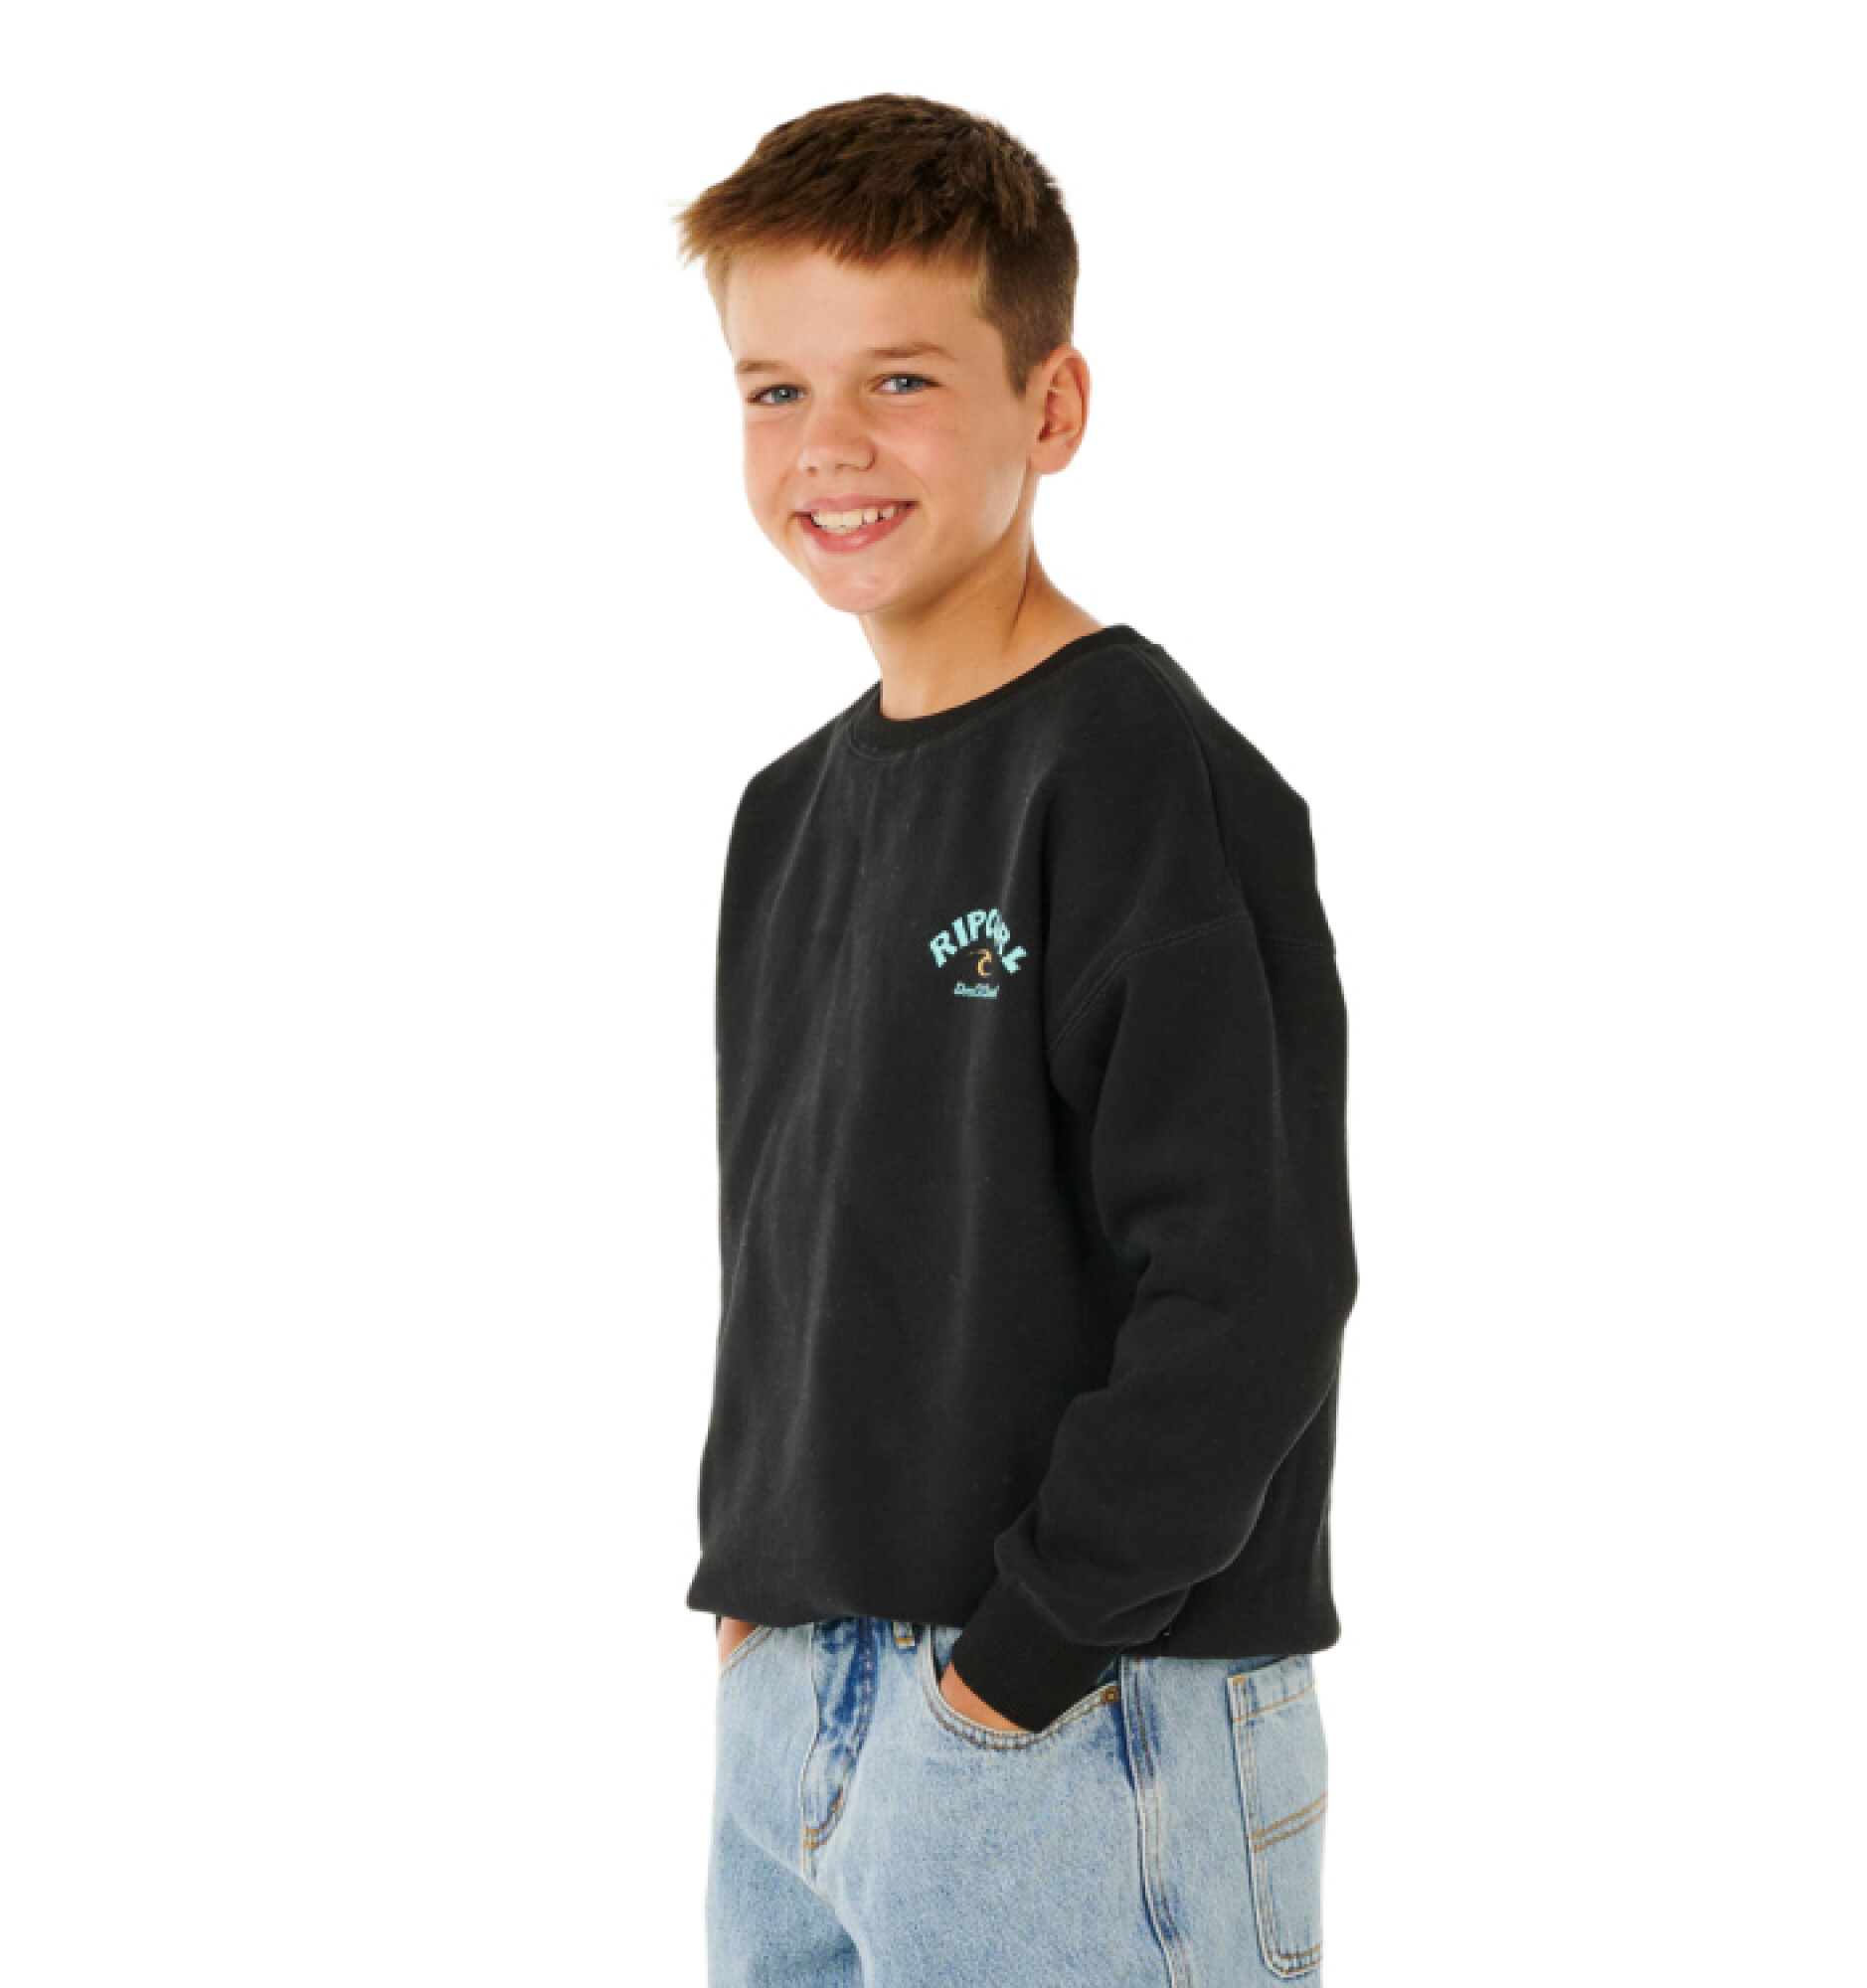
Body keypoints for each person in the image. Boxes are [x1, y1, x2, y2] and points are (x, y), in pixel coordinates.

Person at [670, 91, 1358, 1985]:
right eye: (774, 390)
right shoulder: (786, 813)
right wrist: (759, 1597)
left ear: (1051, 407)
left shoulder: (1134, 775)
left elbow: (1251, 1287)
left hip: (1071, 1721)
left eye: (900, 380)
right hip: (796, 1715)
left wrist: (1010, 1674)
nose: (830, 447)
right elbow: (797, 1251)